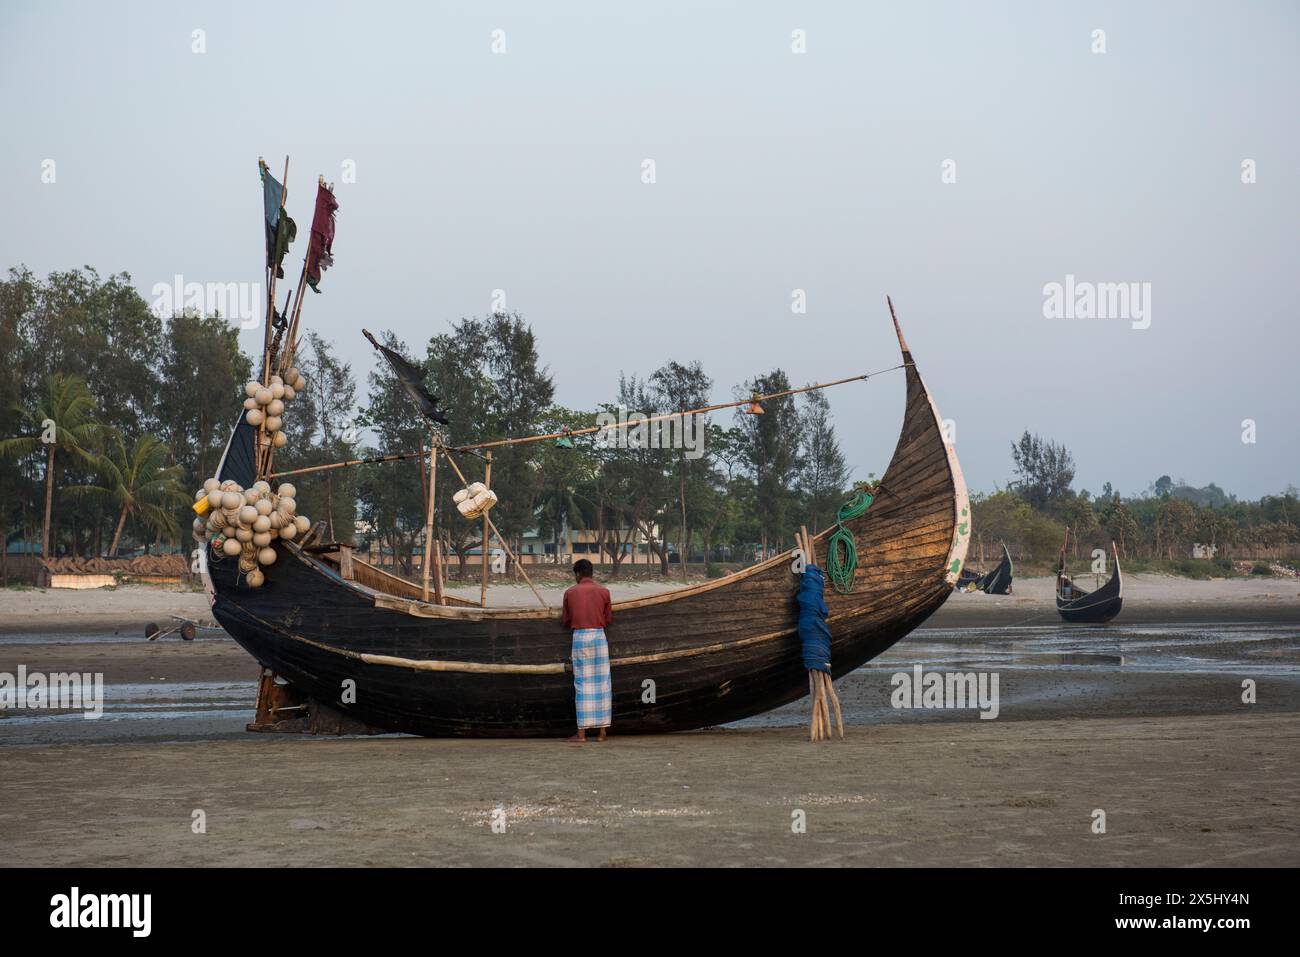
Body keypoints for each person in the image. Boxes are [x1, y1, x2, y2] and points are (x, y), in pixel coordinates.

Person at [561, 558, 612, 742]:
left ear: (577, 574)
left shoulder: (570, 593)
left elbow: (566, 621)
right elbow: (608, 620)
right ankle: (602, 733)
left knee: (582, 684)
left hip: (581, 637)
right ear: (592, 573)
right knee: (603, 685)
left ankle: (581, 734)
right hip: (599, 636)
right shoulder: (604, 592)